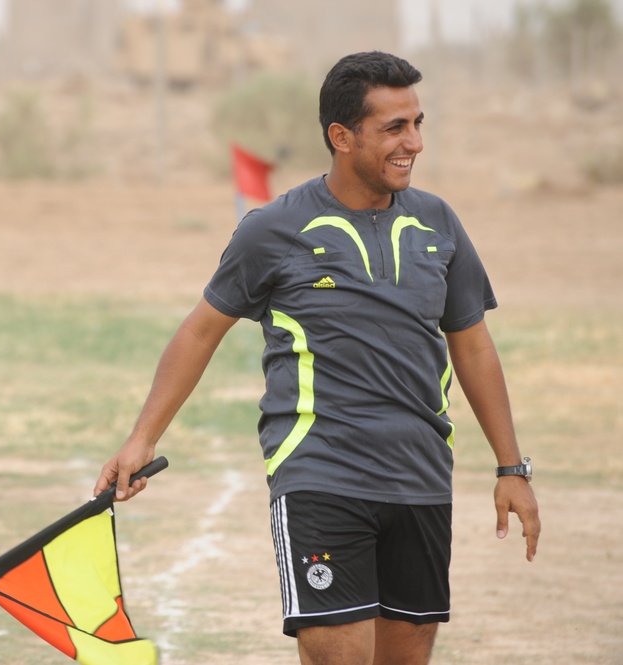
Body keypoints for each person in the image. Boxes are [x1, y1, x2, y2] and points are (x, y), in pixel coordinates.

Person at [93, 51, 541, 665]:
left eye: (417, 123)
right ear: (341, 136)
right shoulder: (272, 230)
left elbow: (473, 346)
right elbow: (199, 332)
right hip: (318, 474)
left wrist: (511, 468)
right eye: (393, 128)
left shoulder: (439, 223)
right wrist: (142, 437)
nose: (413, 142)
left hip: (421, 477)